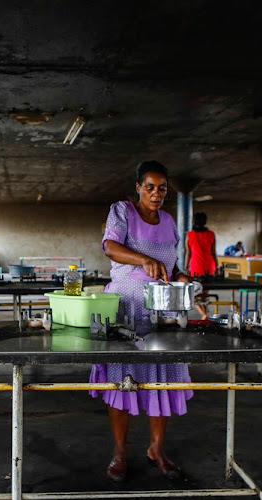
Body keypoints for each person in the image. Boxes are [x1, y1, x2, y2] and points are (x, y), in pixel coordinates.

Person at [90, 160, 193, 482]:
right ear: (138, 187)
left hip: (163, 314)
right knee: (124, 382)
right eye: (149, 187)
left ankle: (156, 450)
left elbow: (171, 266)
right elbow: (110, 247)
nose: (156, 193)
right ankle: (120, 453)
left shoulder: (169, 220)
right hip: (128, 311)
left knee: (161, 382)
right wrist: (144, 259)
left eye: (162, 188)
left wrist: (181, 275)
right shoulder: (122, 210)